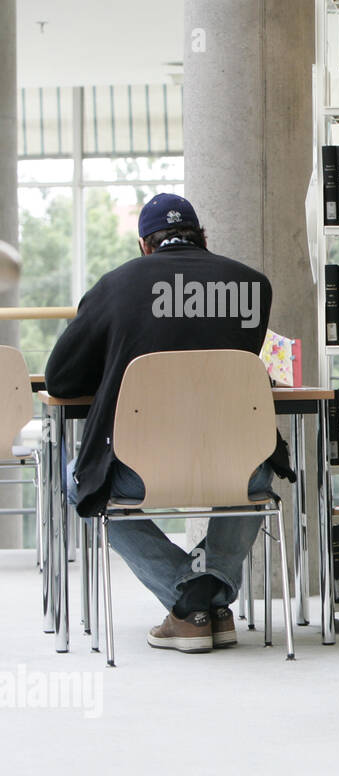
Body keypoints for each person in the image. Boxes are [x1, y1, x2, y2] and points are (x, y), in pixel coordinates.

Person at [45, 194, 293, 654]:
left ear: (144, 245)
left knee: (80, 482)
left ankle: (189, 602)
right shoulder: (252, 286)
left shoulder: (116, 286)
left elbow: (60, 378)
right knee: (252, 474)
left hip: (140, 471)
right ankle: (208, 597)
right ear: (203, 239)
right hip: (239, 466)